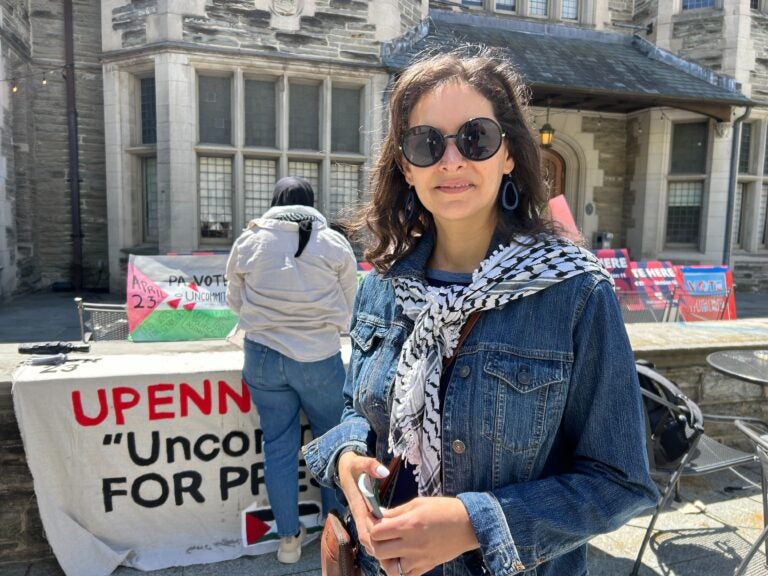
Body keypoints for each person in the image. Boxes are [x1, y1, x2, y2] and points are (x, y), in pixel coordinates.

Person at [302, 48, 658, 576]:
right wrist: (350, 459)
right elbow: (358, 408)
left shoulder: (574, 292)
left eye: (476, 138)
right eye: (426, 143)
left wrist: (474, 523)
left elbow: (621, 481)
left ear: (508, 152)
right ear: (405, 165)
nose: (451, 161)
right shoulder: (384, 284)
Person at [225, 176, 358, 564]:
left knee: (278, 447)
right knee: (333, 446)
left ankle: (287, 541)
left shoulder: (249, 240)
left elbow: (234, 299)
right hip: (318, 357)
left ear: (274, 200)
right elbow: (351, 302)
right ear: (312, 202)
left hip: (263, 355)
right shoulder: (333, 242)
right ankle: (338, 534)